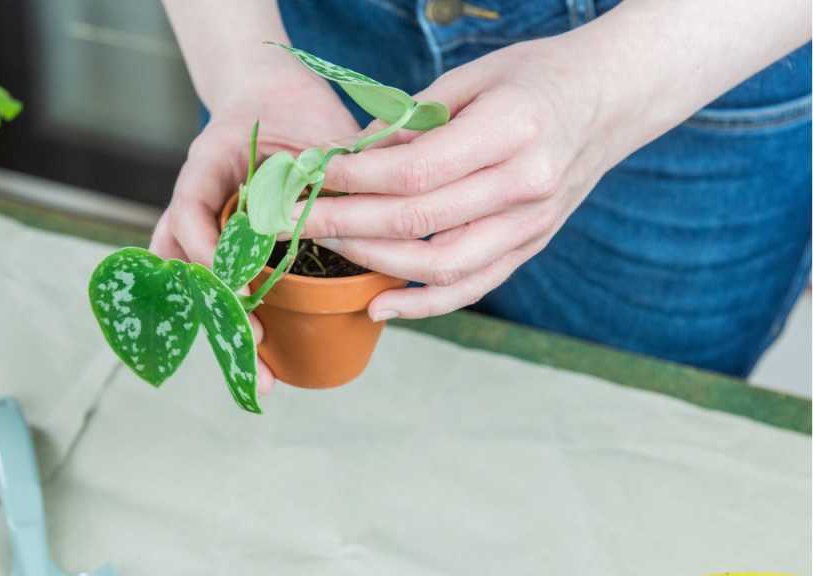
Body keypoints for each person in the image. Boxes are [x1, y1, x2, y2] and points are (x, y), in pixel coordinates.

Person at [152, 0, 812, 393]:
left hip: (679, 45)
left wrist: (609, 89)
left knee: (613, 427)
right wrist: (241, 64)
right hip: (313, 31)